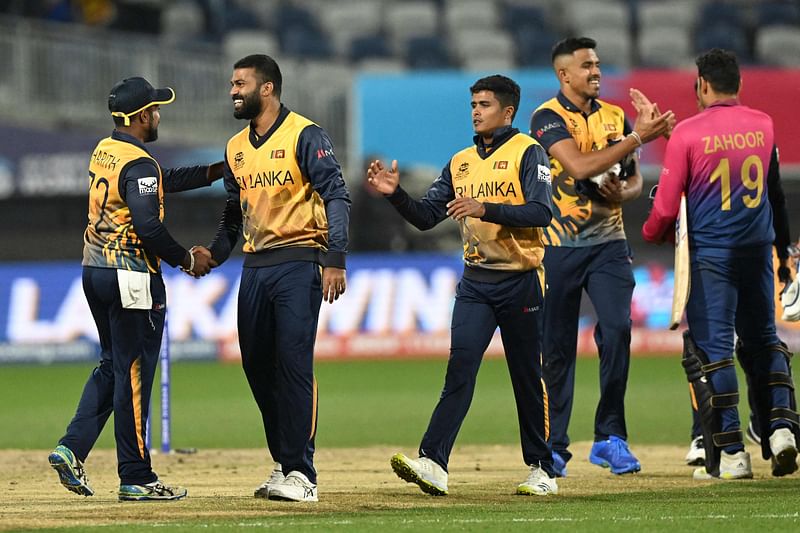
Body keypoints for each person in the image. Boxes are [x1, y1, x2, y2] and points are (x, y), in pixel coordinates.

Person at [368, 75, 558, 496]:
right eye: (473, 104)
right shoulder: (459, 162)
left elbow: (541, 212)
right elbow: (424, 217)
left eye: (484, 104)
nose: (475, 111)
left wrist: (485, 207)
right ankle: (434, 462)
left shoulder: (529, 152)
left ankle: (542, 469)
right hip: (476, 283)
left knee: (526, 376)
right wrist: (395, 194)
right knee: (460, 369)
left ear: (508, 112)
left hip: (521, 280)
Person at [48, 77, 222, 501]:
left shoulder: (107, 150)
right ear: (143, 115)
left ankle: (71, 448)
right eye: (156, 109)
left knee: (114, 365)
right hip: (132, 279)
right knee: (134, 375)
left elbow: (162, 179)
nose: (159, 115)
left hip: (95, 272)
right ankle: (137, 476)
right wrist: (186, 259)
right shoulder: (139, 165)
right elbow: (147, 224)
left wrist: (218, 171)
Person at [643, 48, 798, 479]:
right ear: (739, 86)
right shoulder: (763, 125)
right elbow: (777, 196)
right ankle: (782, 428)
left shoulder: (688, 135)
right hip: (758, 252)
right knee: (765, 340)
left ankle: (732, 454)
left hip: (712, 257)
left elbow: (667, 210)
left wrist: (651, 233)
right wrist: (783, 252)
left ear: (702, 85)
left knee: (714, 353)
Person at [528, 37, 674, 477]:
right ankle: (553, 447)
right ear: (563, 75)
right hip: (556, 248)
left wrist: (622, 191)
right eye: (586, 65)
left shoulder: (615, 117)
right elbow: (577, 167)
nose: (596, 71)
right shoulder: (547, 117)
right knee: (555, 351)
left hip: (608, 246)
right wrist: (636, 137)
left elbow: (631, 183)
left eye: (597, 63)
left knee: (616, 331)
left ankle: (611, 437)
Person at [208, 54, 350, 503]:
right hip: (254, 267)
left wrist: (335, 258)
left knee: (293, 366)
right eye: (232, 83)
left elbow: (336, 195)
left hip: (298, 262)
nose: (233, 90)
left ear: (266, 88)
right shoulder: (235, 147)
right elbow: (234, 212)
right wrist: (211, 255)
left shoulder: (305, 135)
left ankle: (301, 473)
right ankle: (282, 461)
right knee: (256, 366)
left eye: (240, 83)